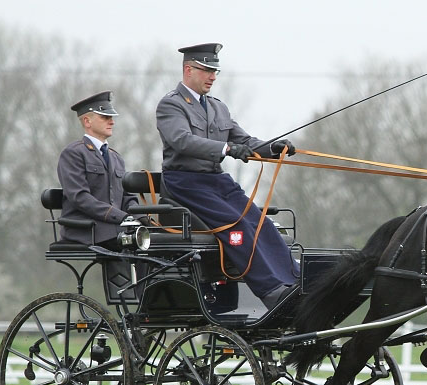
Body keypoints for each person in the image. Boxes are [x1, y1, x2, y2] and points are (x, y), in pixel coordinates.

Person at [156, 42, 298, 309]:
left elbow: (243, 140)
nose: (212, 76)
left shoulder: (218, 108)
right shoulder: (171, 105)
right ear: (189, 69)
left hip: (216, 181)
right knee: (237, 226)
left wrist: (272, 148)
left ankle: (293, 281)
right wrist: (227, 149)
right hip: (185, 182)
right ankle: (270, 290)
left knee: (260, 222)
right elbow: (182, 140)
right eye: (207, 70)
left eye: (215, 71)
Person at [57, 91, 143, 247]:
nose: (112, 122)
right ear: (87, 121)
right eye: (105, 117)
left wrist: (140, 216)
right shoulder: (73, 154)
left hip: (115, 227)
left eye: (111, 118)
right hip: (86, 228)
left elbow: (126, 197)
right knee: (133, 246)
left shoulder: (116, 158)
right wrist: (119, 216)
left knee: (155, 244)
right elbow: (80, 197)